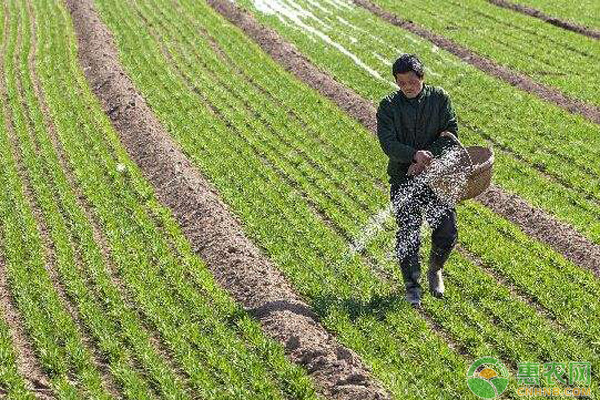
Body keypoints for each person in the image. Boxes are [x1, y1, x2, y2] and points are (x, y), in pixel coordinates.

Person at [376, 53, 459, 307]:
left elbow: (450, 133)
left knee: (447, 229)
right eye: (401, 83)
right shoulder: (388, 106)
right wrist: (412, 156)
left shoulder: (439, 99)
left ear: (421, 77)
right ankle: (412, 286)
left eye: (411, 81)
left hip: (437, 176)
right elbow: (388, 143)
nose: (407, 87)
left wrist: (427, 158)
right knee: (409, 234)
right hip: (404, 178)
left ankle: (435, 269)